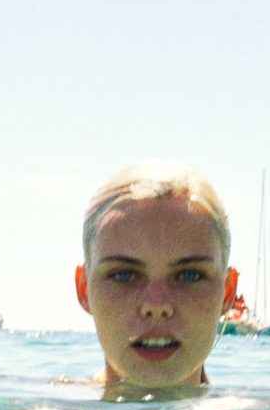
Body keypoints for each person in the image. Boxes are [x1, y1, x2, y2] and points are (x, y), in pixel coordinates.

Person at [75, 163, 238, 390]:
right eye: (124, 275)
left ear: (228, 293)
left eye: (189, 275)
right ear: (84, 290)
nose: (156, 305)